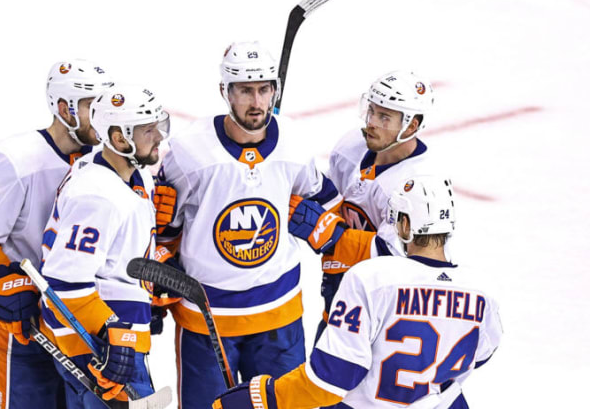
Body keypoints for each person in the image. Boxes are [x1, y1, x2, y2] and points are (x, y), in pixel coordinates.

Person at [214, 175, 503, 409]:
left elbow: (331, 380)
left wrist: (263, 397)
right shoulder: (482, 291)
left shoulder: (372, 278)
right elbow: (480, 354)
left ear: (405, 225)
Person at [155, 41, 338, 408]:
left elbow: (326, 200)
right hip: (206, 318)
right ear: (225, 91)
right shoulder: (188, 151)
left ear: (275, 91)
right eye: (244, 90)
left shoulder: (294, 143)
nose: (256, 102)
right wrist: (158, 268)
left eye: (263, 89)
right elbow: (162, 228)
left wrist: (322, 228)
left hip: (279, 312)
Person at [0, 59, 113, 409]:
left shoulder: (111, 162)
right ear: (62, 108)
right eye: (91, 106)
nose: (102, 117)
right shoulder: (15, 159)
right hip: (25, 324)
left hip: (85, 324)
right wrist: (3, 281)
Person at [38, 84, 170, 407]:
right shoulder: (96, 194)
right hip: (100, 349)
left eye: (158, 127)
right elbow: (62, 282)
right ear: (120, 138)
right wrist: (114, 331)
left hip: (118, 332)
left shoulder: (130, 174)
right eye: (148, 130)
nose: (159, 138)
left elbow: (116, 255)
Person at [288, 70, 441, 342]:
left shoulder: (419, 184)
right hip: (340, 291)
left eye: (385, 118)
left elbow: (396, 257)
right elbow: (332, 198)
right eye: (371, 111)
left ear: (411, 125)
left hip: (388, 311)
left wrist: (330, 235)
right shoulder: (352, 147)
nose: (371, 123)